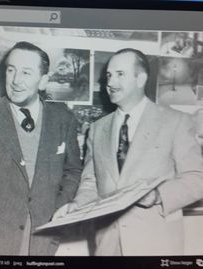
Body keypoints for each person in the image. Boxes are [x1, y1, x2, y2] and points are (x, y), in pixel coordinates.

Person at [54, 48, 203, 255]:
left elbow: (197, 179)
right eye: (109, 75)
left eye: (120, 74)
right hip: (107, 243)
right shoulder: (97, 129)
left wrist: (158, 195)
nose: (111, 83)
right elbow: (91, 182)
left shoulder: (176, 121)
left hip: (156, 244)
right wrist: (77, 204)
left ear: (140, 79)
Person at [0, 41, 82, 255]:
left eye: (26, 73)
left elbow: (72, 170)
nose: (16, 80)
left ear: (43, 81)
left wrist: (60, 205)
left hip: (43, 242)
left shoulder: (63, 119)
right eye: (11, 70)